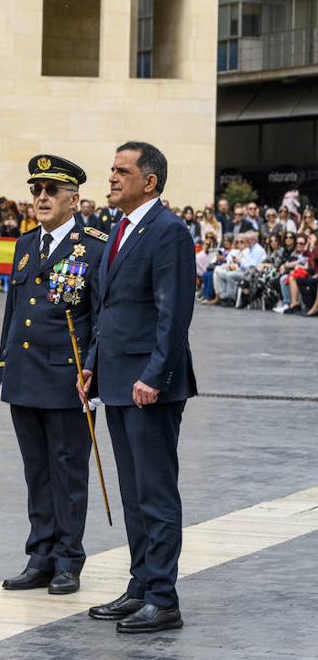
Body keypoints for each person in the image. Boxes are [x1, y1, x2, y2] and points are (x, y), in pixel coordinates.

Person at [80, 141, 196, 634]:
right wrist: (91, 364)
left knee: (155, 491)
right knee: (132, 492)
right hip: (117, 379)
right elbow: (109, 312)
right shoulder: (119, 230)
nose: (110, 177)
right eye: (111, 169)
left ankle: (163, 598)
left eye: (121, 171)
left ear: (149, 181)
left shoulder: (167, 232)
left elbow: (174, 314)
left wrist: (155, 374)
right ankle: (141, 584)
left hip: (150, 385)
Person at [0, 155, 106, 597]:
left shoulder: (94, 245)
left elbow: (101, 316)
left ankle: (67, 559)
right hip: (25, 376)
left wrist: (93, 369)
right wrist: (5, 365)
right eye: (36, 190)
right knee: (36, 470)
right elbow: (13, 311)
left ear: (73, 199)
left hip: (67, 379)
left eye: (51, 191)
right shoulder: (26, 244)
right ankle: (39, 555)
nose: (41, 198)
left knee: (67, 471)